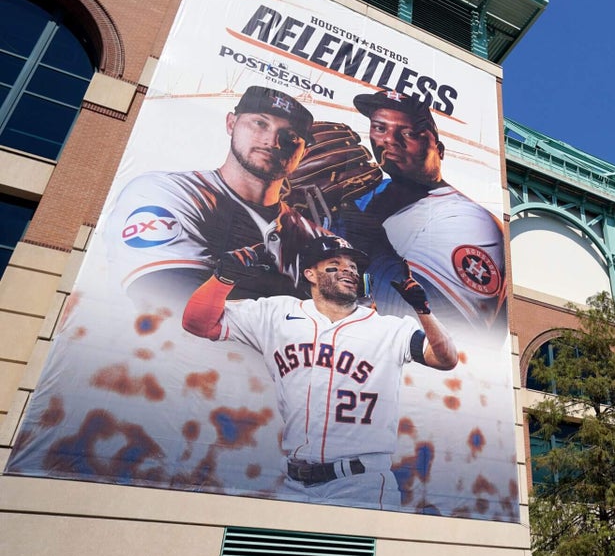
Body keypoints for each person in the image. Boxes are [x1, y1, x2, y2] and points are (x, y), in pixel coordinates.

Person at [181, 234, 458, 509]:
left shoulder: (390, 328)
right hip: (294, 482)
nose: (348, 270)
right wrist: (223, 280)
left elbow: (446, 359)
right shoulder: (276, 313)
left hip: (363, 484)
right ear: (310, 274)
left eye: (353, 267)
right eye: (335, 264)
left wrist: (423, 310)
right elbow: (199, 324)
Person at [109, 86, 326, 311]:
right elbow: (173, 297)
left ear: (304, 153)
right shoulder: (165, 191)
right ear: (231, 123)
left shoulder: (319, 238)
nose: (273, 141)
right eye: (260, 123)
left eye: (291, 136)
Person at [335, 89, 506, 335]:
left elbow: (444, 327)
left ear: (440, 149)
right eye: (380, 128)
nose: (391, 140)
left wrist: (352, 233)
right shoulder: (363, 194)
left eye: (409, 133)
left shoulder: (469, 220)